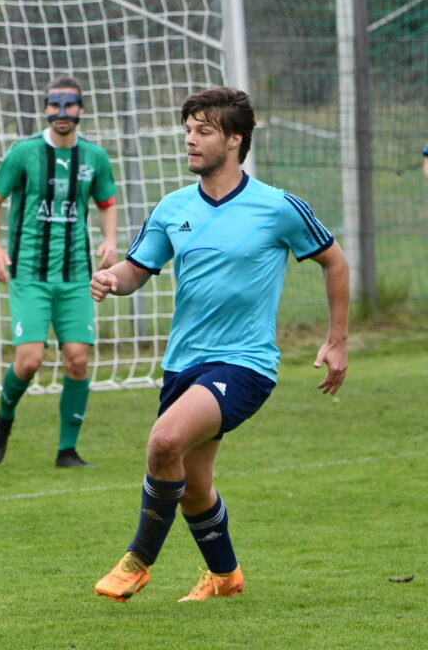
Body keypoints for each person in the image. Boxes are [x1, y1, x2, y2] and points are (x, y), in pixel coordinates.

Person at [90, 87, 349, 603]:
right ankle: (225, 577)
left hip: (246, 363)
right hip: (184, 363)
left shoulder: (277, 207)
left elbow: (335, 261)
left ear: (234, 139)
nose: (189, 140)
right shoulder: (173, 207)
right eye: (187, 130)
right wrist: (112, 280)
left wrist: (336, 341)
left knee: (164, 443)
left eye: (202, 131)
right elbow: (138, 270)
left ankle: (138, 560)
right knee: (193, 483)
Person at [0, 76, 118, 468]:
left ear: (80, 108)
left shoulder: (94, 157)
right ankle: (4, 418)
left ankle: (67, 451)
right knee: (28, 361)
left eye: (70, 105)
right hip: (29, 274)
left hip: (77, 275)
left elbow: (107, 201)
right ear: (45, 107)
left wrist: (109, 239)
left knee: (77, 359)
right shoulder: (24, 153)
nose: (62, 113)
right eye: (54, 105)